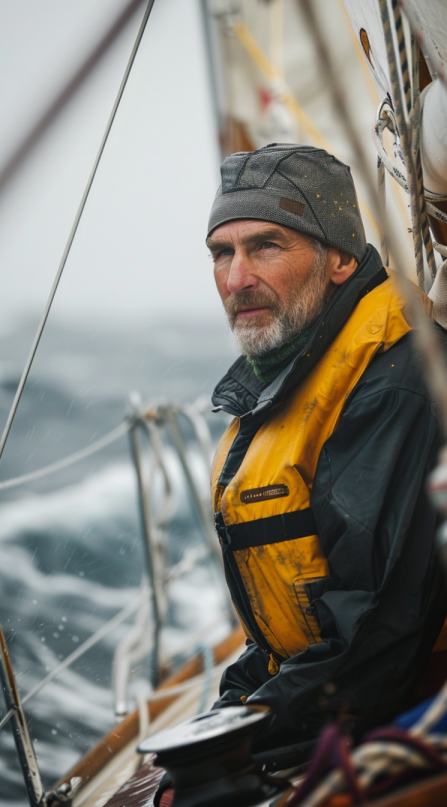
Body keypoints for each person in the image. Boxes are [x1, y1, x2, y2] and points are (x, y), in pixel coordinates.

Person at [154, 143, 447, 804]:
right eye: (221, 253)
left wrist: (238, 743)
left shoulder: (394, 389)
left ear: (341, 258)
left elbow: (375, 642)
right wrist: (227, 711)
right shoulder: (299, 375)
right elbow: (298, 631)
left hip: (408, 711)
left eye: (266, 246)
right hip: (333, 699)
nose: (236, 279)